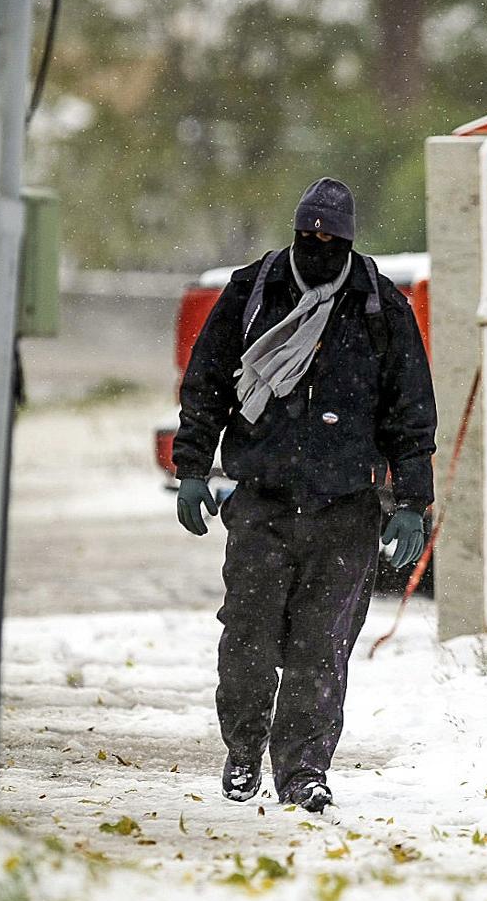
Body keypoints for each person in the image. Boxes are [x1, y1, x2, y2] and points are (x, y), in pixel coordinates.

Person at [172, 177, 437, 812]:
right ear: (293, 232)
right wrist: (192, 468)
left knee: (322, 648)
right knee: (248, 638)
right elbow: (207, 383)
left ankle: (304, 772)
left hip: (346, 509)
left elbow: (410, 411)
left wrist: (411, 502)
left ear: (348, 241)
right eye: (307, 235)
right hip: (261, 501)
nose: (317, 245)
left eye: (329, 238)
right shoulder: (251, 292)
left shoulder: (379, 306)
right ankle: (244, 751)